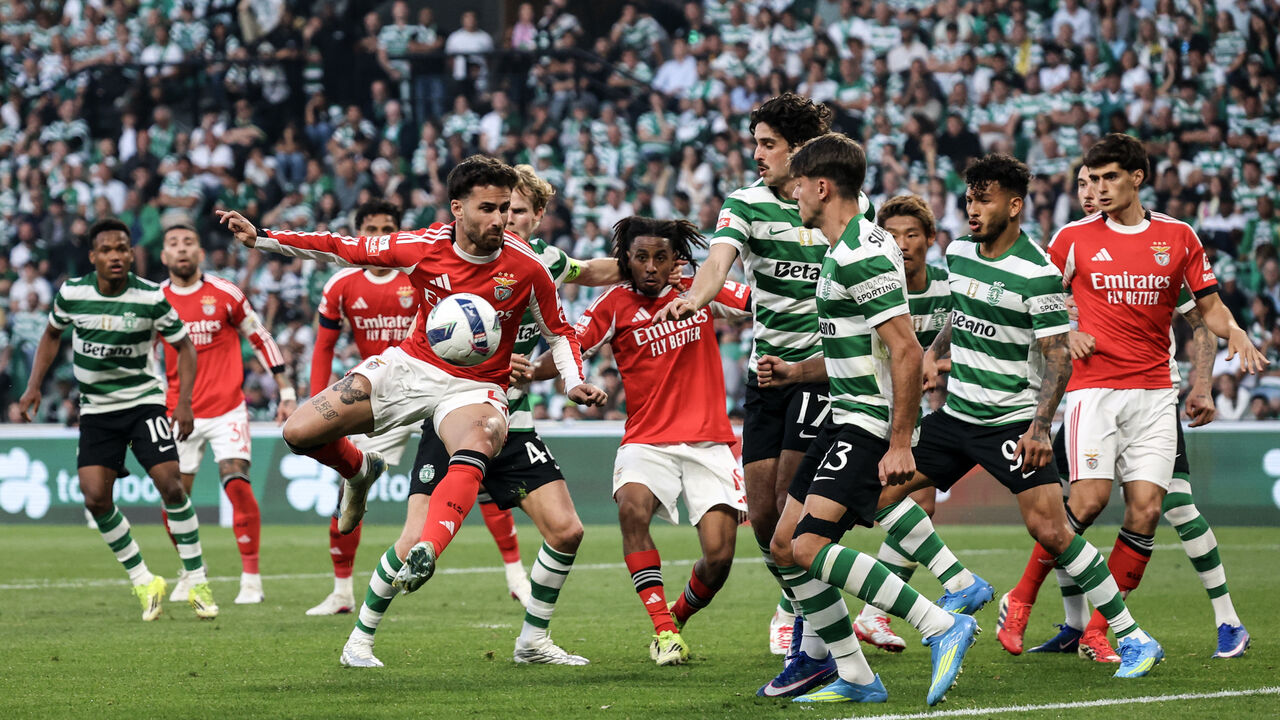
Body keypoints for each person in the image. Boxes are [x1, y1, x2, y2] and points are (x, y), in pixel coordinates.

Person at [216, 155, 606, 668]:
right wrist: (262, 237)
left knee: (481, 437)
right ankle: (359, 469)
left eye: (505, 209)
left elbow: (561, 334)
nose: (499, 220)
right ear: (458, 208)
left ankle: (430, 552)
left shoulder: (528, 267)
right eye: (487, 209)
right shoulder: (424, 246)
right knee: (298, 431)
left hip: (476, 387)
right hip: (410, 367)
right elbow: (340, 247)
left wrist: (575, 381)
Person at [871, 152, 1166, 679]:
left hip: (1011, 424)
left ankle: (1134, 637)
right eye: (968, 199)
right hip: (956, 416)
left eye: (983, 200)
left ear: (1014, 204)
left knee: (1053, 532)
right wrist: (935, 356)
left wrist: (1038, 429)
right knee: (877, 495)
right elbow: (962, 318)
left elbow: (1057, 356)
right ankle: (960, 582)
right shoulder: (959, 252)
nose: (972, 210)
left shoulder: (1037, 273)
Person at [653, 93, 870, 693]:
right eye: (754, 143)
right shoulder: (745, 204)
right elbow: (717, 263)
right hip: (766, 376)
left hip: (819, 375)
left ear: (800, 153)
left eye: (767, 144)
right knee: (766, 518)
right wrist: (696, 298)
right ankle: (812, 618)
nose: (757, 155)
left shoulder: (847, 207)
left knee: (789, 521)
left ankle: (814, 637)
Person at [999, 162, 1254, 661]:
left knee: (1171, 506)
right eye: (1083, 185)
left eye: (1102, 182)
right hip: (1084, 397)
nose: (1092, 193)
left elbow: (1201, 320)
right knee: (1077, 507)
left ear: (1131, 181)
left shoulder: (1164, 246)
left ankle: (1227, 620)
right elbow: (1029, 306)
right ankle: (1076, 625)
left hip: (1152, 393)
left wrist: (1201, 384)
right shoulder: (1071, 248)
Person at [758, 133, 979, 705]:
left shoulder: (859, 252)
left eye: (800, 183)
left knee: (807, 548)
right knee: (786, 544)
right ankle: (855, 676)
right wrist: (796, 373)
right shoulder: (847, 248)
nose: (794, 192)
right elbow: (857, 351)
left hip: (866, 424)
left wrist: (900, 442)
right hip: (842, 414)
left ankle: (940, 622)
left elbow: (906, 350)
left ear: (823, 186)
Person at [401, 165, 631, 666]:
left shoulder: (543, 262)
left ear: (537, 214)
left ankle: (532, 639)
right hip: (455, 406)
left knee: (567, 530)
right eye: (502, 209)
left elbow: (590, 273)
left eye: (518, 211)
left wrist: (647, 264)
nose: (509, 219)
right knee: (411, 539)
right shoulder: (457, 256)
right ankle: (360, 635)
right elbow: (440, 331)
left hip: (514, 420)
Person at [303, 199, 533, 617]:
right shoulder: (341, 285)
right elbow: (324, 346)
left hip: (444, 389)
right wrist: (318, 395)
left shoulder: (421, 270)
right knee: (346, 487)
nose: (377, 233)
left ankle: (516, 575)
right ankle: (340, 590)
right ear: (360, 233)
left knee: (476, 479)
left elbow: (473, 325)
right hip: (390, 389)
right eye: (369, 227)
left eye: (385, 226)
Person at [540, 218, 750, 666]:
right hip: (646, 440)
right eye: (641, 257)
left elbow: (754, 302)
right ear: (626, 261)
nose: (651, 267)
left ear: (676, 259)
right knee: (632, 510)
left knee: (719, 558)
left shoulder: (698, 290)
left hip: (709, 442)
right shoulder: (614, 304)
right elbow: (571, 345)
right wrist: (532, 373)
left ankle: (674, 618)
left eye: (661, 257)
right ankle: (663, 629)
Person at [18, 218, 216, 621]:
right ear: (93, 257)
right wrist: (34, 385)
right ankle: (145, 580)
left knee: (171, 485)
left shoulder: (149, 297)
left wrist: (184, 403)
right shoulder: (72, 293)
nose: (116, 256)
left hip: (143, 403)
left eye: (122, 249)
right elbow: (52, 334)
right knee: (94, 498)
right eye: (107, 250)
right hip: (96, 409)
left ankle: (196, 580)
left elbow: (185, 347)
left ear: (131, 254)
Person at [159, 223, 295, 606]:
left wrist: (286, 390)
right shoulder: (155, 300)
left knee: (236, 481)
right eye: (174, 244)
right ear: (164, 256)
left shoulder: (225, 293)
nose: (182, 249)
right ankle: (190, 571)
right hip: (176, 412)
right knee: (173, 496)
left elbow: (260, 336)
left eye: (189, 242)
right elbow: (141, 355)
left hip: (226, 409)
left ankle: (251, 578)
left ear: (200, 253)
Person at [849, 195, 955, 652]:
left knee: (921, 506)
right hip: (868, 409)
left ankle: (873, 615)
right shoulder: (871, 283)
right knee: (833, 518)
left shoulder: (948, 289)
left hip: (916, 415)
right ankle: (796, 614)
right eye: (891, 235)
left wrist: (940, 364)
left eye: (912, 234)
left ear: (930, 239)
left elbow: (966, 342)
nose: (902, 244)